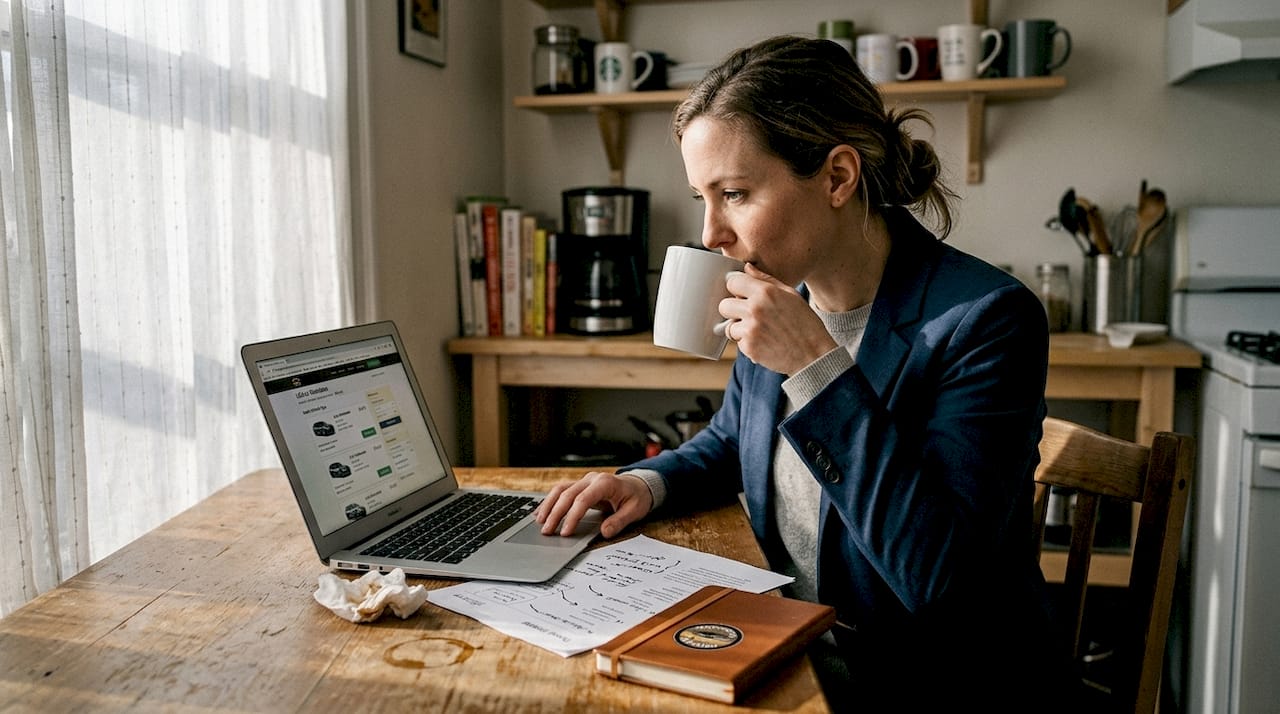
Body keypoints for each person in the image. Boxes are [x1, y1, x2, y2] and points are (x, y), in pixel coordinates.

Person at [536, 35, 1068, 710]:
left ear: (838, 177)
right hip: (787, 653)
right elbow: (735, 440)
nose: (710, 234)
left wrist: (816, 366)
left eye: (733, 193)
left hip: (927, 685)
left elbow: (940, 578)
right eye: (703, 196)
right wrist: (647, 481)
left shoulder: (987, 320)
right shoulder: (785, 293)